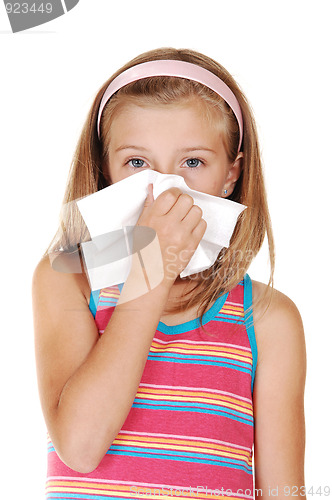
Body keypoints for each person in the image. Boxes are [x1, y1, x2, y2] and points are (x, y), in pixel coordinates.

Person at [32, 48, 307, 500]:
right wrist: (151, 268)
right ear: (105, 172)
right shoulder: (67, 278)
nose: (164, 188)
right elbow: (80, 448)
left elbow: (284, 491)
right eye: (137, 163)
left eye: (193, 163)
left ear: (231, 175)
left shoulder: (269, 320)